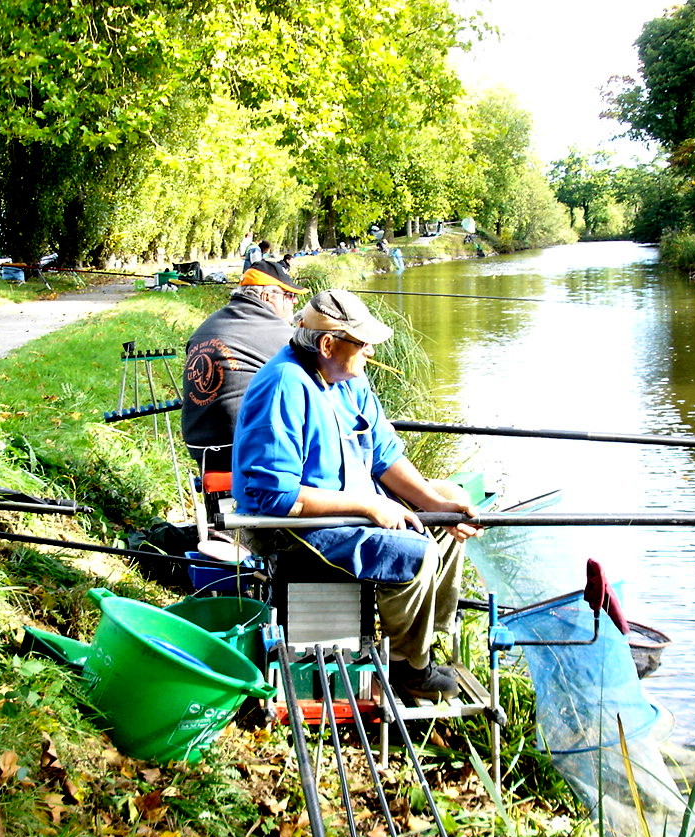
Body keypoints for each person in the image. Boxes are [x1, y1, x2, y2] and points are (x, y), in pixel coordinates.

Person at [231, 290, 480, 700]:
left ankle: (422, 639)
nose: (368, 352)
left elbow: (384, 455)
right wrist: (370, 505)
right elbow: (278, 498)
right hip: (293, 525)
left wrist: (438, 506)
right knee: (417, 552)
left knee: (448, 502)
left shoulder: (350, 379)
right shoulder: (283, 387)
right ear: (327, 344)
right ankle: (408, 667)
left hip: (351, 500)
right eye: (361, 344)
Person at [181, 258, 308, 472]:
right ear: (268, 296)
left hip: (200, 449)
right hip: (243, 447)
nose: (294, 302)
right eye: (290, 295)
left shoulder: (207, 326)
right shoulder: (276, 331)